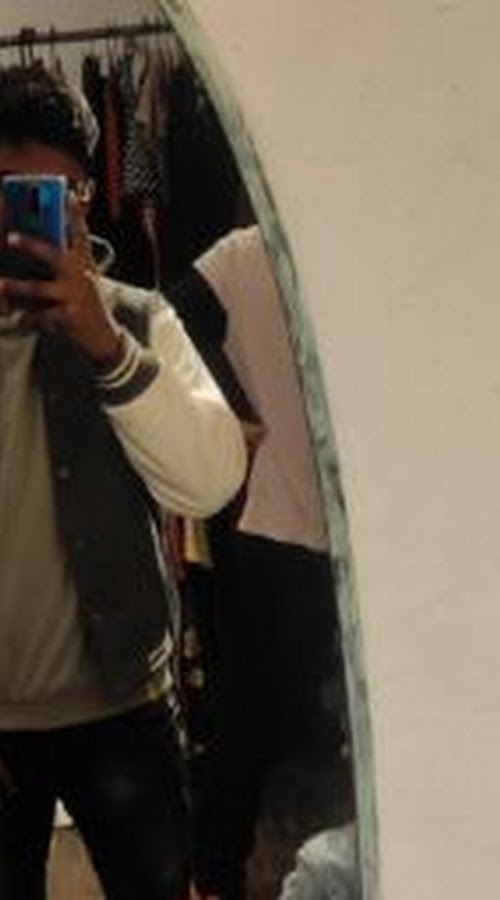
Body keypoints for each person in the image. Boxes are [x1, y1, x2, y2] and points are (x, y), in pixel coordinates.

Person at [0, 65, 247, 900]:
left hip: (125, 709)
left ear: (86, 198)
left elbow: (207, 484)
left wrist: (108, 348)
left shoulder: (139, 321)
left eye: (62, 191)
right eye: (8, 187)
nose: (32, 209)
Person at [166, 226, 347, 900]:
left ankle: (217, 873)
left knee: (256, 714)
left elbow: (170, 322)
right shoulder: (249, 252)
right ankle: (216, 873)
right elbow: (168, 322)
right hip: (289, 515)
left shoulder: (249, 251)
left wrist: (225, 409)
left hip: (308, 517)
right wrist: (226, 412)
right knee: (256, 713)